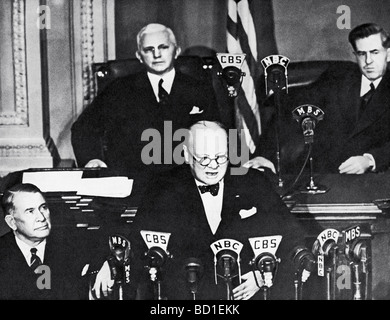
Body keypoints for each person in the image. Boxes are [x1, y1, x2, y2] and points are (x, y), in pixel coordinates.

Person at [92, 120, 308, 300]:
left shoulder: (254, 182)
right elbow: (139, 245)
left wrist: (263, 276)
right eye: (203, 158)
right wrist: (112, 266)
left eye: (221, 157)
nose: (213, 165)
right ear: (186, 155)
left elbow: (294, 240)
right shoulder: (163, 187)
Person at [71, 23, 220, 195]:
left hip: (186, 183)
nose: (157, 54)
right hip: (132, 183)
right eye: (149, 49)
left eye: (163, 47)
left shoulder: (200, 89)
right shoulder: (119, 89)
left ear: (176, 51)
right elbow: (83, 128)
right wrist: (92, 159)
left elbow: (217, 134)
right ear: (139, 56)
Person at [247, 23, 390, 175]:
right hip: (325, 175)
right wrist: (265, 156)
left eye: (375, 52)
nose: (368, 61)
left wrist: (370, 160)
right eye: (362, 54)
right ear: (354, 54)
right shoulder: (339, 76)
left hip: (376, 177)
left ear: (388, 53)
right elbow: (291, 108)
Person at [0, 183, 89, 299]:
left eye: (43, 208)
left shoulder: (70, 244)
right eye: (30, 211)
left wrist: (107, 265)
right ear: (12, 222)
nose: (42, 218)